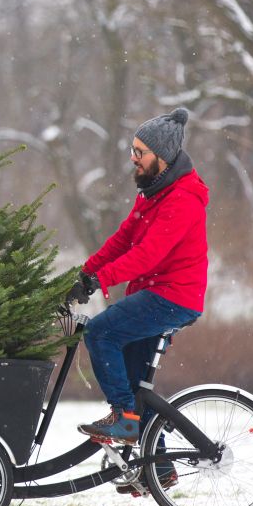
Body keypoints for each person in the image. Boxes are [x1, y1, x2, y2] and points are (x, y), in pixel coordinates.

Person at [66, 106, 208, 465]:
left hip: (172, 297)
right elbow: (123, 239)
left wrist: (102, 279)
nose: (133, 158)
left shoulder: (183, 200)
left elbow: (148, 255)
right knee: (134, 383)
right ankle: (158, 468)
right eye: (133, 150)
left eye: (140, 152)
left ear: (162, 156)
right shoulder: (153, 192)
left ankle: (124, 421)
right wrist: (86, 273)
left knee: (100, 333)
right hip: (154, 295)